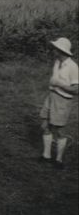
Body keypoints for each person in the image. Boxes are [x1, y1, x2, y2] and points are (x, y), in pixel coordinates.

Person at [39, 37, 78, 169]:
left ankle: (59, 160)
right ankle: (46, 156)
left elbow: (76, 90)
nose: (53, 50)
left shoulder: (73, 67)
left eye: (55, 48)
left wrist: (59, 84)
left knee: (60, 130)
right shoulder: (56, 62)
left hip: (63, 100)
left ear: (61, 50)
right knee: (45, 125)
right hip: (51, 97)